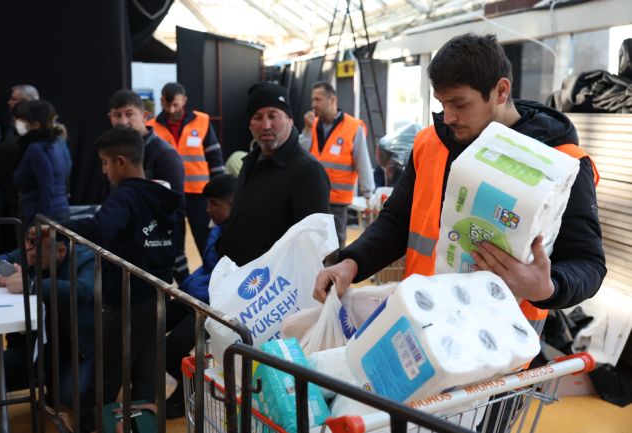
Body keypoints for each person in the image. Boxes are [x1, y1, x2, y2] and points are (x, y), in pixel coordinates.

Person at [314, 33, 606, 330]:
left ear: (501, 91)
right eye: (442, 104)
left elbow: (589, 263)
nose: (449, 117)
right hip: (421, 322)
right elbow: (397, 220)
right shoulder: (430, 143)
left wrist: (548, 287)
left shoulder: (562, 162)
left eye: (460, 104)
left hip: (501, 345)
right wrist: (352, 262)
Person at [62, 126, 181, 432]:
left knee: (106, 373)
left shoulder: (125, 196)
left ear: (120, 162)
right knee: (146, 374)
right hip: (157, 294)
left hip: (127, 299)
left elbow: (101, 228)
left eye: (104, 163)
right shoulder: (164, 197)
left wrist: (56, 227)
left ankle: (87, 426)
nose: (103, 171)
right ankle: (145, 427)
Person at [217, 82, 331, 266]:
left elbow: (312, 250)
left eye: (273, 116)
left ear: (290, 120)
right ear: (249, 124)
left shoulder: (308, 171)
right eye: (258, 117)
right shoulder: (250, 162)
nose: (266, 125)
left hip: (267, 288)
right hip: (238, 281)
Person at [164, 174, 237, 419]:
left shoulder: (241, 236)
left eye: (214, 204)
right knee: (151, 325)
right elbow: (209, 267)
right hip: (194, 293)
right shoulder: (218, 229)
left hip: (211, 305)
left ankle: (190, 394)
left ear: (233, 203)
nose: (207, 210)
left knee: (174, 346)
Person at [0, 231, 95, 407]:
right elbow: (1, 260)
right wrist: (7, 274)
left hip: (76, 349)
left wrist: (30, 285)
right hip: (38, 345)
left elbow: (82, 291)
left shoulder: (85, 258)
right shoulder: (33, 249)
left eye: (37, 256)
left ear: (61, 251)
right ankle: (47, 380)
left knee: (70, 398)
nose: (31, 258)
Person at [107, 89, 189, 284]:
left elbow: (176, 209)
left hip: (157, 243)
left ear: (144, 116)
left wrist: (165, 246)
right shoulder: (113, 152)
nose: (123, 121)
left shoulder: (165, 154)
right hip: (127, 244)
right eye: (117, 115)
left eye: (129, 114)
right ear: (109, 118)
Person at [147, 82, 225, 256]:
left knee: (206, 240)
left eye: (176, 104)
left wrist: (220, 191)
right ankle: (183, 282)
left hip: (199, 195)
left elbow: (215, 158)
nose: (172, 110)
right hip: (170, 195)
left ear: (185, 100)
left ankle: (212, 276)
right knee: (174, 241)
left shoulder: (202, 122)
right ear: (161, 101)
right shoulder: (151, 126)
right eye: (167, 105)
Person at [300, 81, 375, 248]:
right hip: (311, 198)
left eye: (317, 99)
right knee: (310, 246)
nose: (313, 104)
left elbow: (363, 162)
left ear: (332, 100)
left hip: (337, 202)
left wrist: (369, 195)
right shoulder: (311, 125)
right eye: (312, 100)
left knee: (335, 247)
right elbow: (300, 153)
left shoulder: (353, 127)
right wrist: (306, 130)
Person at [12, 100, 72, 227]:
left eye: (24, 120)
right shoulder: (58, 142)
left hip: (44, 216)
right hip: (60, 210)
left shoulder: (37, 148)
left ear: (36, 124)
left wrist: (38, 223)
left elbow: (47, 187)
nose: (19, 123)